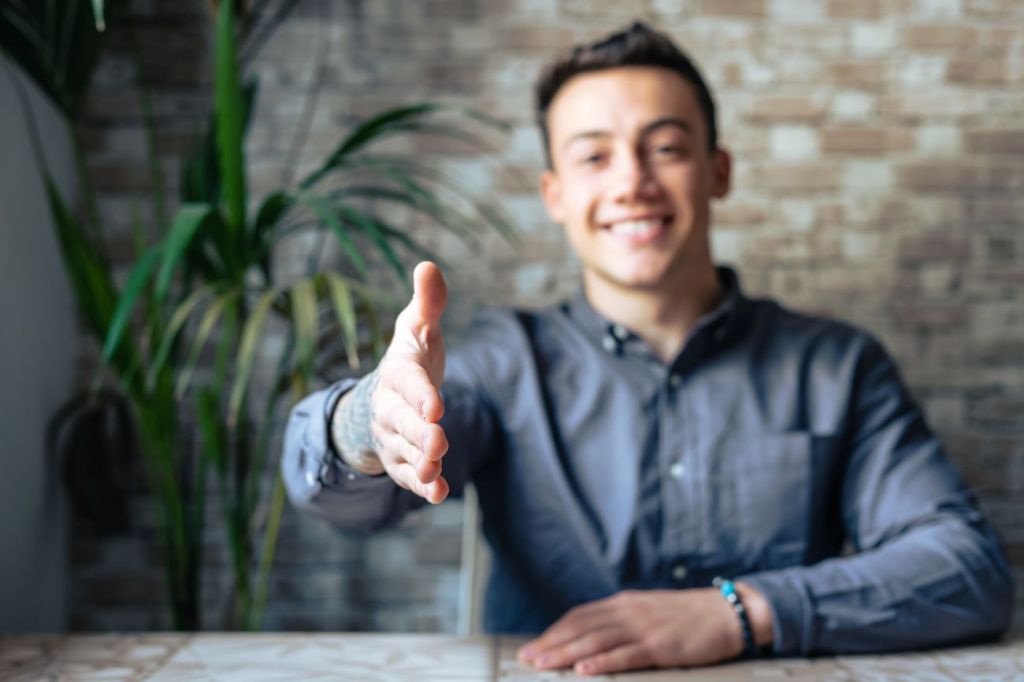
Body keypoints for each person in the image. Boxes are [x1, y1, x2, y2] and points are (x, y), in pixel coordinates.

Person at [282, 22, 1014, 676]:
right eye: (594, 157)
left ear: (718, 171)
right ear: (555, 193)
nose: (632, 182)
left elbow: (966, 572)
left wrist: (736, 611)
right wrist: (370, 417)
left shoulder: (836, 366)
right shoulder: (505, 362)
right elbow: (337, 502)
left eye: (664, 148)